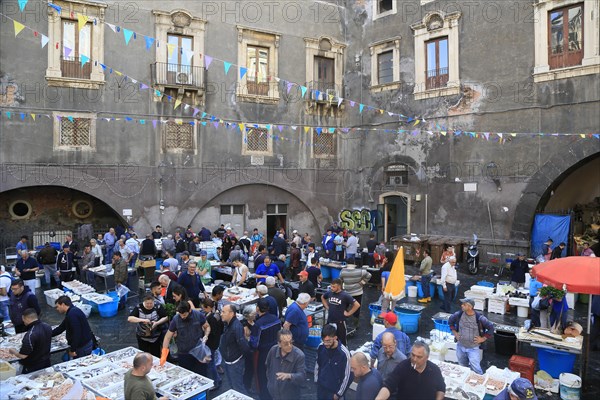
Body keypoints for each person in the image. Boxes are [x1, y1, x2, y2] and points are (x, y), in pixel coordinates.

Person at [375, 341, 445, 400]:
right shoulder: (403, 367)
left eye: (419, 357)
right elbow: (389, 385)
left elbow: (441, 388)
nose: (414, 359)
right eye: (413, 355)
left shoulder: (434, 369)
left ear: (427, 357)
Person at [160, 301, 209, 374]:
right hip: (184, 353)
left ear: (189, 310)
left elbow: (207, 327)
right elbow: (167, 337)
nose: (182, 317)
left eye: (184, 314)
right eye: (180, 314)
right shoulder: (176, 319)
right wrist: (164, 355)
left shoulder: (198, 315)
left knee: (202, 374)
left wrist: (206, 335)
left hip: (198, 351)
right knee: (186, 374)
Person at [448, 298, 494, 375]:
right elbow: (450, 322)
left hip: (473, 348)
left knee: (476, 369)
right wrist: (455, 333)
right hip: (460, 346)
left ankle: (479, 384)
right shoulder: (458, 314)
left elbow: (491, 328)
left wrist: (482, 339)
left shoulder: (480, 318)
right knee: (462, 367)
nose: (461, 305)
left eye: (464, 304)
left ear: (470, 307)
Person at [250, 298, 281, 400]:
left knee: (262, 377)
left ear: (258, 308)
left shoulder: (258, 325)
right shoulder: (276, 319)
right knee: (274, 374)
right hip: (276, 351)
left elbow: (254, 344)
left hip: (262, 354)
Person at [8, 308, 52, 374]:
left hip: (33, 366)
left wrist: (13, 351)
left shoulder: (30, 335)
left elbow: (23, 356)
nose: (23, 321)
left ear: (25, 318)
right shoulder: (47, 326)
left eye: (23, 319)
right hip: (47, 362)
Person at [315, 324, 352, 400]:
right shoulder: (321, 347)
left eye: (328, 341)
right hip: (321, 389)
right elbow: (317, 365)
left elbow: (348, 376)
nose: (325, 343)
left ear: (335, 338)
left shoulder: (344, 353)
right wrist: (316, 381)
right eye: (324, 340)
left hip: (334, 392)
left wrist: (338, 394)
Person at [266, 328, 306, 399]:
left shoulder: (299, 355)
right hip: (274, 395)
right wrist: (271, 383)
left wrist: (289, 376)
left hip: (290, 396)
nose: (290, 345)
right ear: (279, 344)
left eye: (291, 342)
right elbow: (268, 366)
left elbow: (302, 377)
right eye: (286, 343)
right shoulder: (273, 350)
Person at [220, 304, 251, 395]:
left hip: (235, 363)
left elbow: (243, 345)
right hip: (228, 361)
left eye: (223, 312)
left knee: (238, 388)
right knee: (233, 387)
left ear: (231, 313)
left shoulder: (236, 327)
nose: (221, 314)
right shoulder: (227, 324)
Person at [322, 278, 360, 345]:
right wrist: (327, 307)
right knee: (329, 339)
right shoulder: (330, 293)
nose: (332, 288)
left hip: (340, 323)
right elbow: (323, 297)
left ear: (339, 286)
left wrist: (348, 313)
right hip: (330, 321)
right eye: (331, 286)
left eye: (334, 287)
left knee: (342, 342)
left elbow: (357, 305)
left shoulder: (344, 295)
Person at [201, 298, 224, 390]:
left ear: (209, 308)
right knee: (212, 361)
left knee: (211, 363)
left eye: (204, 308)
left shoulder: (210, 318)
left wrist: (204, 333)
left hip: (210, 343)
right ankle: (217, 378)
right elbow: (221, 328)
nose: (203, 309)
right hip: (216, 341)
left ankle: (216, 382)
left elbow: (211, 331)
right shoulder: (217, 315)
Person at [340, 263, 371, 328]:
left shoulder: (343, 271)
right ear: (354, 264)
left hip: (347, 293)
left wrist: (342, 287)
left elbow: (341, 280)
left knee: (344, 306)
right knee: (357, 308)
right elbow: (369, 275)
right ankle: (355, 324)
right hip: (358, 292)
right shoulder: (360, 271)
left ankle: (343, 320)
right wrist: (363, 282)